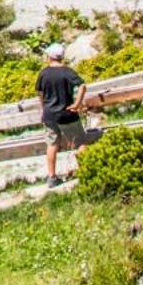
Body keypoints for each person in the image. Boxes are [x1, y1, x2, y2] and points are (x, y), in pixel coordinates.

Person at [36, 42, 87, 187]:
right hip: (67, 113)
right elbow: (83, 86)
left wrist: (44, 108)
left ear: (49, 57)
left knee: (52, 144)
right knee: (79, 143)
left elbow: (40, 93)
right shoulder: (67, 71)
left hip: (50, 115)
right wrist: (77, 103)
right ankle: (87, 169)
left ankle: (52, 177)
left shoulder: (43, 73)